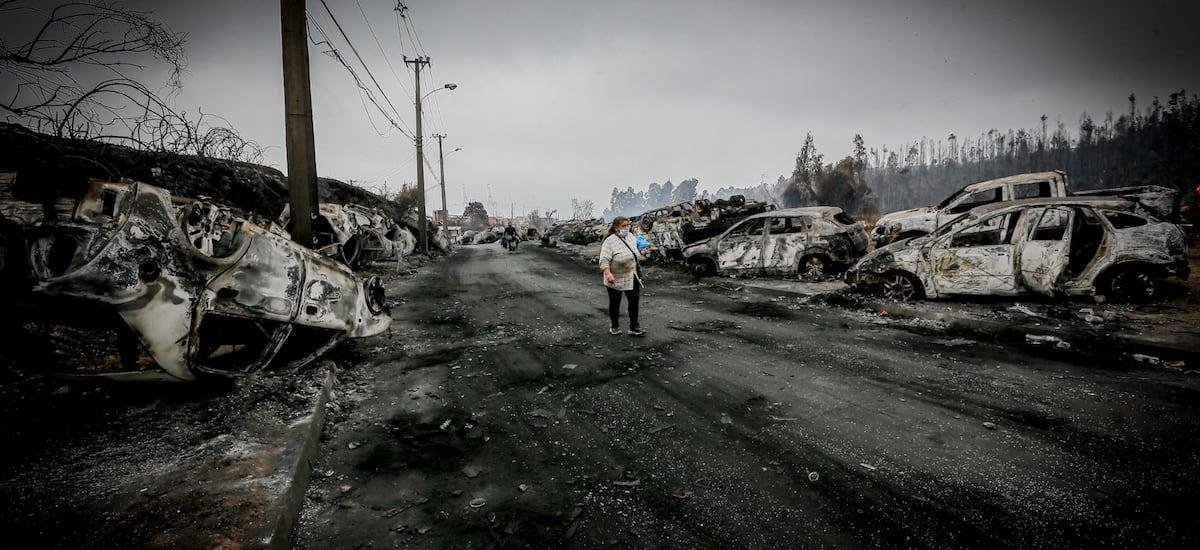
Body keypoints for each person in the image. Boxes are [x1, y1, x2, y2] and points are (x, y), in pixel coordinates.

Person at [599, 217, 649, 336]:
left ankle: (634, 327)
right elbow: (603, 260)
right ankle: (614, 325)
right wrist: (608, 273)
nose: (627, 228)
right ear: (616, 228)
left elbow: (634, 253)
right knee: (615, 302)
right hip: (615, 277)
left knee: (634, 302)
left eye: (628, 225)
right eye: (624, 226)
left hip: (631, 275)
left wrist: (642, 253)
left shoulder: (631, 237)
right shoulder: (609, 242)